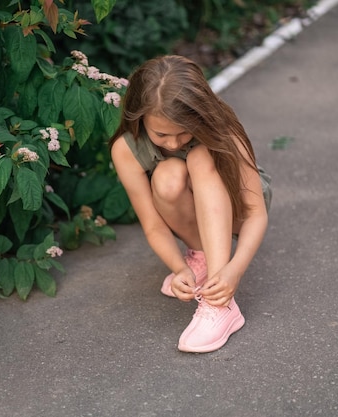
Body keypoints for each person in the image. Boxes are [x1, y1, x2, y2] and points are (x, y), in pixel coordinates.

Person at [109, 55, 271, 353]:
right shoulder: (126, 150)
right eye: (161, 134)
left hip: (236, 206)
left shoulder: (223, 132)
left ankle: (220, 305)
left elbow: (255, 214)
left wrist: (234, 270)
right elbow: (154, 224)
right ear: (138, 117)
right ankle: (200, 258)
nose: (173, 143)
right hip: (193, 205)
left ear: (200, 116)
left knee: (200, 155)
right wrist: (179, 267)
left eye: (184, 131)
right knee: (167, 175)